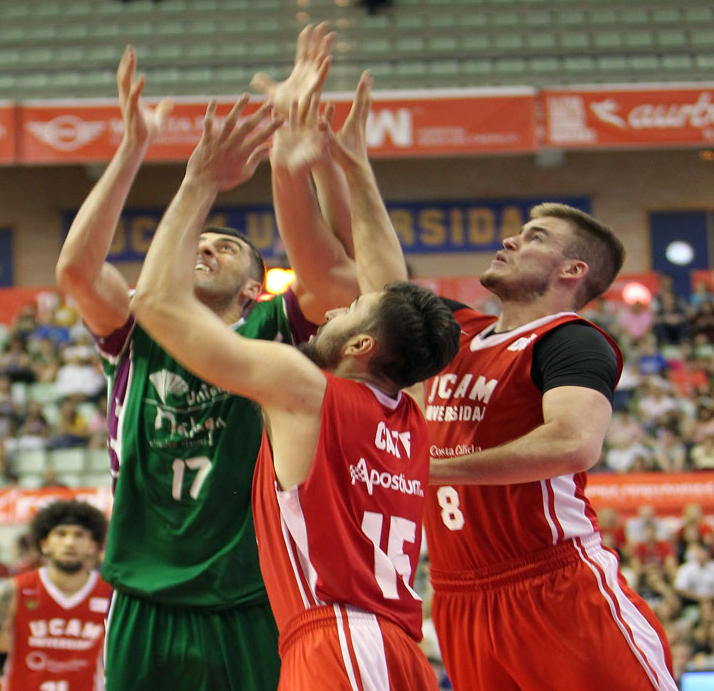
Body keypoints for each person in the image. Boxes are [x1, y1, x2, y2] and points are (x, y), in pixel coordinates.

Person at [130, 67, 460, 691]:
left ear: (361, 346)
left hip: (339, 642)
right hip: (394, 647)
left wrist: (200, 181)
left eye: (349, 310)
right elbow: (388, 282)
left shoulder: (306, 388)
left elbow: (155, 304)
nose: (334, 309)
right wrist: (351, 167)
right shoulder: (411, 410)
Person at [55, 28, 360, 691]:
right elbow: (76, 270)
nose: (205, 248)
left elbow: (336, 274)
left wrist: (299, 163)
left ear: (254, 289)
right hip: (145, 588)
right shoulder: (139, 327)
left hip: (251, 591)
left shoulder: (276, 329)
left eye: (226, 248)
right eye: (200, 242)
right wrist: (133, 149)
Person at [424, 203, 677, 691]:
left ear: (572, 270)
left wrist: (430, 469)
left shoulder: (571, 340)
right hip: (458, 595)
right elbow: (373, 275)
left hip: (554, 584)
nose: (511, 240)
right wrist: (344, 173)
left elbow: (573, 443)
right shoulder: (458, 331)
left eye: (535, 237)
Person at [0, 499, 111, 691]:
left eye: (79, 535)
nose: (69, 542)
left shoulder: (108, 593)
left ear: (93, 545)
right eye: (61, 534)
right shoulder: (15, 589)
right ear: (44, 544)